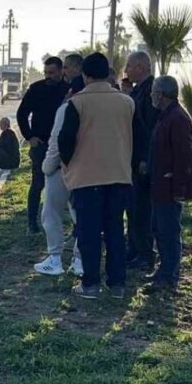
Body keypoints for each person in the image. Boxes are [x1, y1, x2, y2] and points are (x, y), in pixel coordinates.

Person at [56, 53, 138, 299]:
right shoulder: (127, 102)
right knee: (114, 230)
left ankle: (90, 284)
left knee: (89, 233)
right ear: (107, 73)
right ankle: (117, 284)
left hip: (87, 177)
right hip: (119, 176)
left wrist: (68, 166)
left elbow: (65, 141)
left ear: (85, 75)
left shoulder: (77, 103)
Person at [145, 76, 192, 294]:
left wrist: (179, 189)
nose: (151, 96)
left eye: (153, 92)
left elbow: (184, 156)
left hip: (169, 187)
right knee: (159, 229)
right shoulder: (167, 115)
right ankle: (163, 271)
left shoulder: (177, 118)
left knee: (168, 232)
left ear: (161, 94)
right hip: (160, 184)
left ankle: (169, 276)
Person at [16, 56, 70, 234]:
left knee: (68, 184)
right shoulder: (36, 89)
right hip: (41, 144)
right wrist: (30, 136)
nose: (48, 76)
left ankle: (66, 225)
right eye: (46, 72)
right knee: (37, 183)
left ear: (62, 71)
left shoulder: (68, 90)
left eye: (52, 73)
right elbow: (22, 114)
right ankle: (32, 223)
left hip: (64, 145)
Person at [34, 98, 84, 278]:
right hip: (86, 170)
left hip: (60, 169)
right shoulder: (98, 107)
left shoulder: (67, 108)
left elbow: (56, 141)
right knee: (82, 216)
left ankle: (55, 259)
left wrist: (47, 166)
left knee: (51, 213)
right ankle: (79, 260)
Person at [124, 51, 160, 272]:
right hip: (133, 159)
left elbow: (149, 129)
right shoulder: (138, 90)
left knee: (141, 210)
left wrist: (145, 159)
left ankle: (145, 254)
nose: (126, 70)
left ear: (140, 67)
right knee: (133, 208)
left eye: (129, 66)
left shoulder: (150, 91)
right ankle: (134, 249)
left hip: (142, 161)